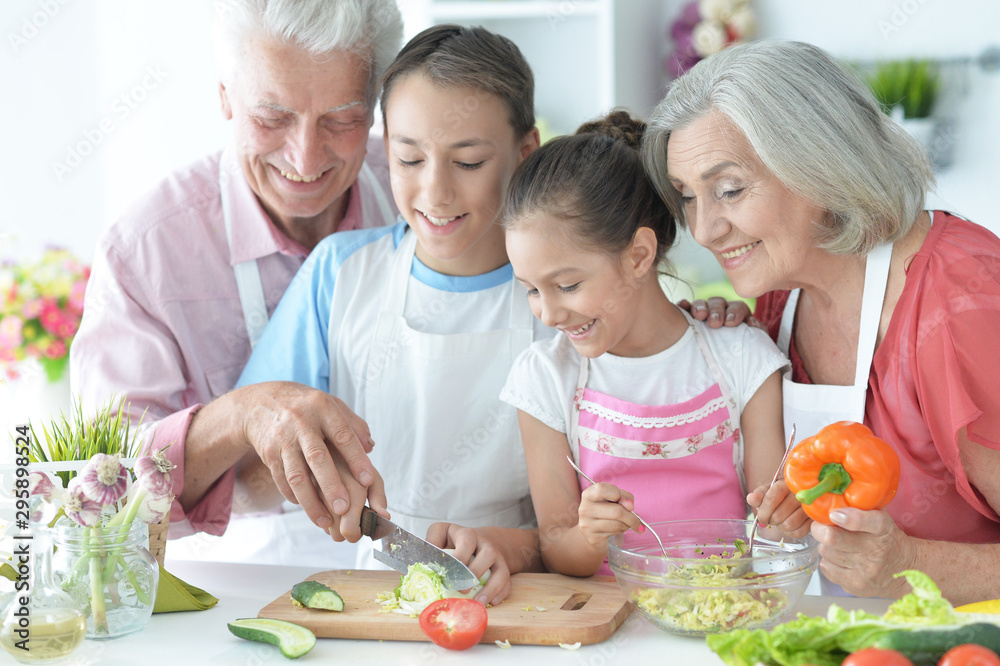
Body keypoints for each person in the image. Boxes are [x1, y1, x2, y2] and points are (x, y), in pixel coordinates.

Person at [642, 39, 1000, 604]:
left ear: (819, 165)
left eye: (729, 190)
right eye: (687, 198)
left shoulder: (960, 299)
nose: (705, 229)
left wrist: (914, 563)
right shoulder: (778, 299)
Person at [69, 0, 403, 566]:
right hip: (227, 585)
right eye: (272, 118)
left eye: (342, 120)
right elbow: (102, 495)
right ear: (225, 95)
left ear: (376, 110)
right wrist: (242, 414)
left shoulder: (420, 195)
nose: (304, 157)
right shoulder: (145, 251)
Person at [235, 24, 555, 605]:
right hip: (363, 590)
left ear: (523, 153)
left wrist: (510, 547)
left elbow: (594, 505)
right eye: (409, 158)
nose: (434, 193)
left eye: (469, 162)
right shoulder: (341, 274)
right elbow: (251, 458)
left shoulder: (562, 294)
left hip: (522, 595)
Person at [498, 111, 808, 577]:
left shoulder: (743, 360)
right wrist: (587, 537)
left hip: (720, 629)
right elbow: (556, 547)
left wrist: (787, 520)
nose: (548, 313)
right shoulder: (543, 377)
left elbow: (770, 533)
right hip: (605, 637)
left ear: (639, 255)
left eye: (567, 285)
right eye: (531, 289)